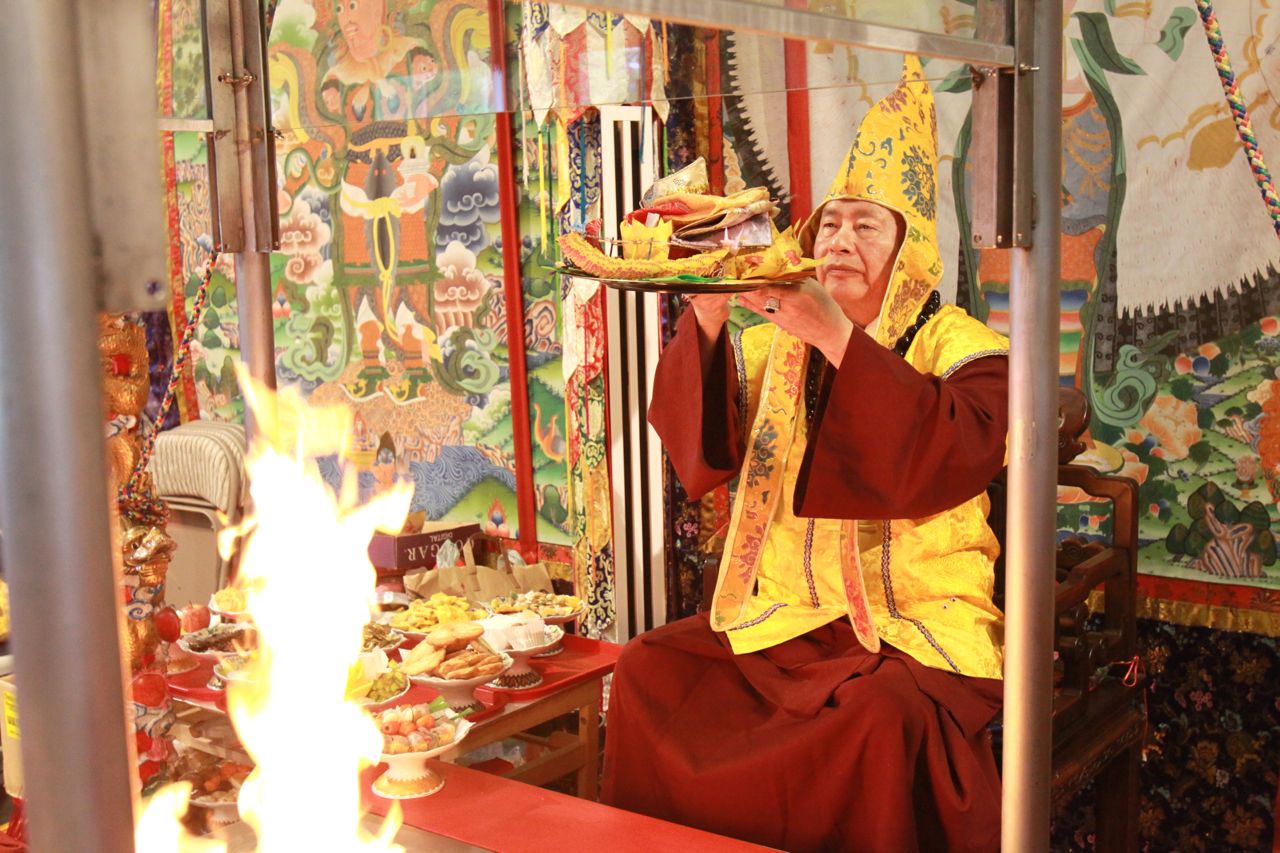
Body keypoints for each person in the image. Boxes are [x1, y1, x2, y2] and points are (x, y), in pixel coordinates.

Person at [601, 58, 1011, 853]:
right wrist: (710, 318)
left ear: (910, 248)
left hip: (908, 627)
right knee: (648, 667)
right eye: (830, 224)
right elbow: (702, 449)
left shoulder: (960, 344)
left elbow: (954, 450)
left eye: (867, 226)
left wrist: (836, 335)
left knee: (879, 718)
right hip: (785, 619)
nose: (841, 240)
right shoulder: (774, 342)